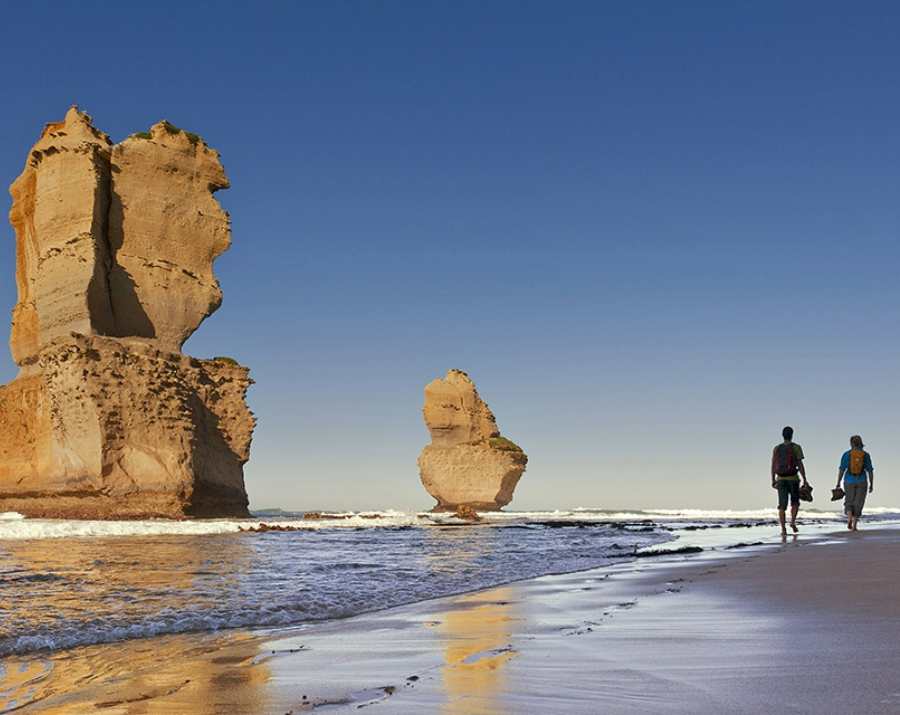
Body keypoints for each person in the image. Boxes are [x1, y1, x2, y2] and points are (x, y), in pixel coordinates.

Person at [771, 426, 809, 535]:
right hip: (793, 478)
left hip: (780, 479)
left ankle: (783, 529)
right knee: (795, 502)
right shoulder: (796, 447)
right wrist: (805, 479)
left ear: (782, 435)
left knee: (782, 505)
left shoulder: (776, 448)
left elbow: (773, 465)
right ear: (792, 435)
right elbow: (800, 464)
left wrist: (773, 479)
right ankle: (792, 522)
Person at [836, 435, 874, 531]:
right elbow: (870, 470)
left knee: (849, 501)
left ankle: (849, 518)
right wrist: (871, 484)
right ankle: (854, 526)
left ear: (851, 443)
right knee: (858, 502)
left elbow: (842, 469)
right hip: (862, 480)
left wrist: (838, 482)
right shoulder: (865, 455)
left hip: (848, 480)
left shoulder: (846, 454)